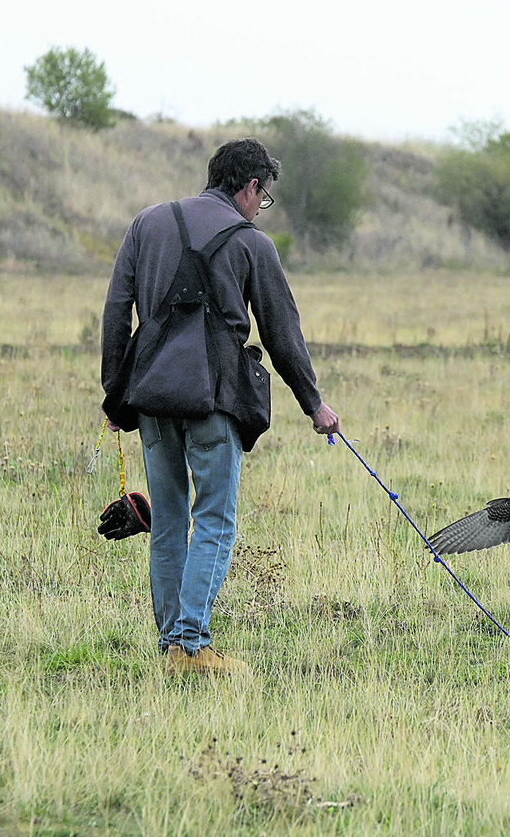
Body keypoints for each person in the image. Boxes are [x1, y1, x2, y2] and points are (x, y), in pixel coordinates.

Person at [101, 137, 341, 676]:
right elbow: (282, 332)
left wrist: (115, 395)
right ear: (251, 187)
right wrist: (314, 404)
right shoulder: (254, 244)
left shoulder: (147, 224)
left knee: (167, 523)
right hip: (213, 400)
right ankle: (191, 646)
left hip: (152, 400)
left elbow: (117, 311)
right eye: (265, 197)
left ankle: (172, 650)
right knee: (213, 521)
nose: (261, 207)